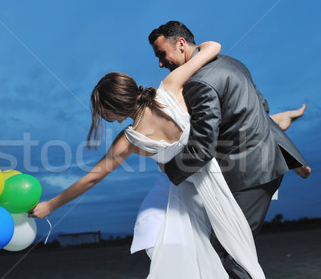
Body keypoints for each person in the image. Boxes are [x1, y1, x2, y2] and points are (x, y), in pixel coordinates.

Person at [31, 40, 283, 279]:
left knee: (199, 253)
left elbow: (91, 179)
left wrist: (51, 205)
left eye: (101, 111)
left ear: (112, 107)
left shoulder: (128, 140)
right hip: (219, 180)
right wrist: (198, 46)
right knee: (231, 252)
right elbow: (213, 48)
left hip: (188, 192)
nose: (102, 117)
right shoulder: (171, 86)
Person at [148, 20, 309, 279]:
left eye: (162, 54)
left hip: (249, 175)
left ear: (181, 44)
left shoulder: (197, 83)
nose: (160, 64)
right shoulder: (233, 63)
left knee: (228, 255)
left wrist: (167, 169)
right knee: (225, 251)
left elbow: (201, 149)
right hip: (265, 167)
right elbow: (262, 105)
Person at [131, 105, 309, 256]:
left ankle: (279, 133)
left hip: (196, 175)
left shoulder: (174, 114)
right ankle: (278, 126)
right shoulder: (155, 126)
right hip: (188, 180)